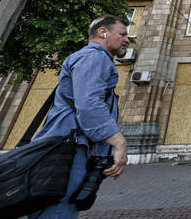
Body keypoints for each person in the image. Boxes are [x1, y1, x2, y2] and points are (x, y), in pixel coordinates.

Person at [27, 16, 130, 219]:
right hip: (69, 148)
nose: (127, 40)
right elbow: (90, 104)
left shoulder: (86, 58)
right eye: (123, 34)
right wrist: (119, 143)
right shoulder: (94, 57)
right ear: (103, 33)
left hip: (63, 146)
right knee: (58, 211)